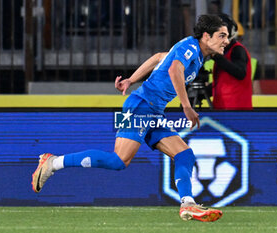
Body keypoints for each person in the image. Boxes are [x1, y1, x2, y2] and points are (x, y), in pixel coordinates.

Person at [31, 14, 229, 222]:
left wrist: (131, 80)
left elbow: (159, 57)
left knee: (184, 155)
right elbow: (174, 69)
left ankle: (187, 204)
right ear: (206, 36)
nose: (226, 40)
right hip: (140, 106)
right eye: (222, 35)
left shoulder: (194, 55)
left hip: (153, 111)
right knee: (118, 161)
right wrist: (186, 106)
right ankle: (52, 162)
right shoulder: (191, 47)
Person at [206, 13, 253, 110]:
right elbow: (223, 83)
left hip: (237, 111)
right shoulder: (223, 53)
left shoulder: (237, 50)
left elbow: (240, 73)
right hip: (222, 109)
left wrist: (216, 57)